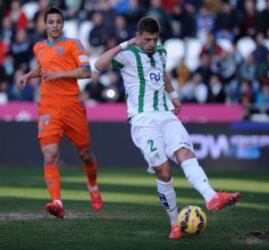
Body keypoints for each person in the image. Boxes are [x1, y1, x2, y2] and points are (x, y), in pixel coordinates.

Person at [95, 16, 240, 240]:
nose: (152, 43)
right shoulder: (127, 54)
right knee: (164, 170)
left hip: (167, 115)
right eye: (147, 39)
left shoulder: (161, 52)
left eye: (155, 39)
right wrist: (125, 44)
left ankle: (212, 197)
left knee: (186, 154)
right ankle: (174, 224)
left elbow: (163, 74)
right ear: (138, 37)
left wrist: (173, 96)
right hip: (143, 121)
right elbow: (99, 65)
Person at [16, 7, 103, 218]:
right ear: (45, 24)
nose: (54, 25)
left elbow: (86, 71)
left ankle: (92, 186)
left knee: (86, 155)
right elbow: (44, 68)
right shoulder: (39, 47)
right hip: (48, 107)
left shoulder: (74, 44)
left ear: (62, 24)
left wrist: (59, 74)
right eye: (51, 22)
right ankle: (57, 201)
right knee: (50, 155)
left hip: (72, 106)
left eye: (58, 22)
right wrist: (29, 75)